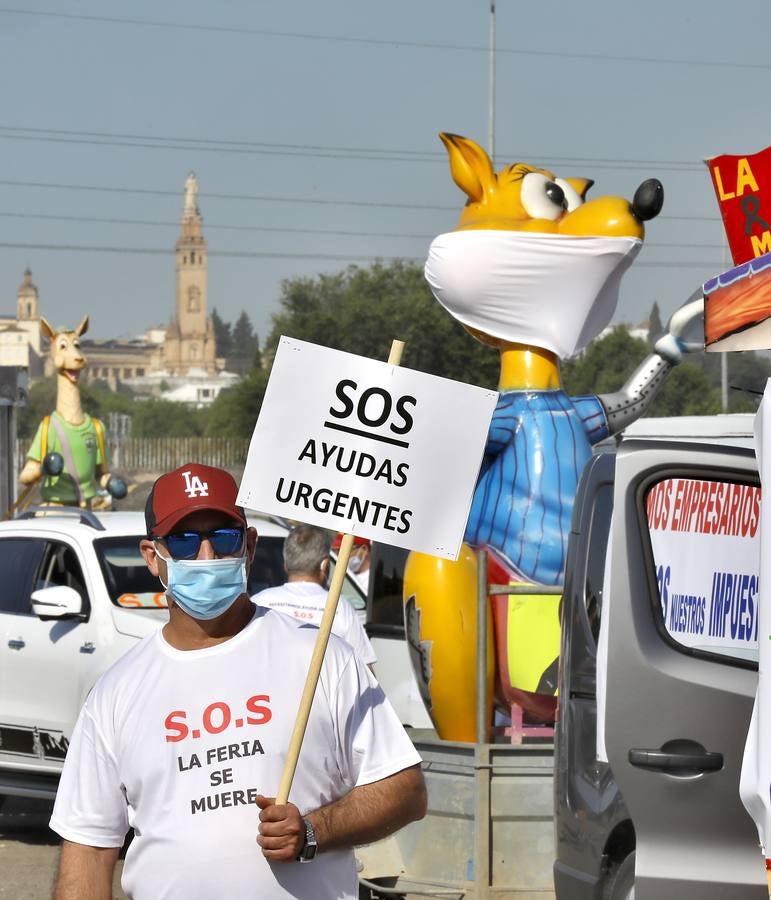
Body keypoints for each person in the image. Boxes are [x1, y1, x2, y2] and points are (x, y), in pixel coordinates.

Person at [49, 462, 426, 900]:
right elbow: (88, 855)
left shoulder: (321, 657)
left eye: (223, 537)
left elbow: (405, 789)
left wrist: (311, 831)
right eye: (185, 542)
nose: (206, 557)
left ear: (248, 545)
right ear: (153, 557)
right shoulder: (114, 695)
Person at [254, 524, 376, 667]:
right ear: (325, 565)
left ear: (286, 565)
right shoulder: (340, 607)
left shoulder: (259, 602)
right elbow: (365, 671)